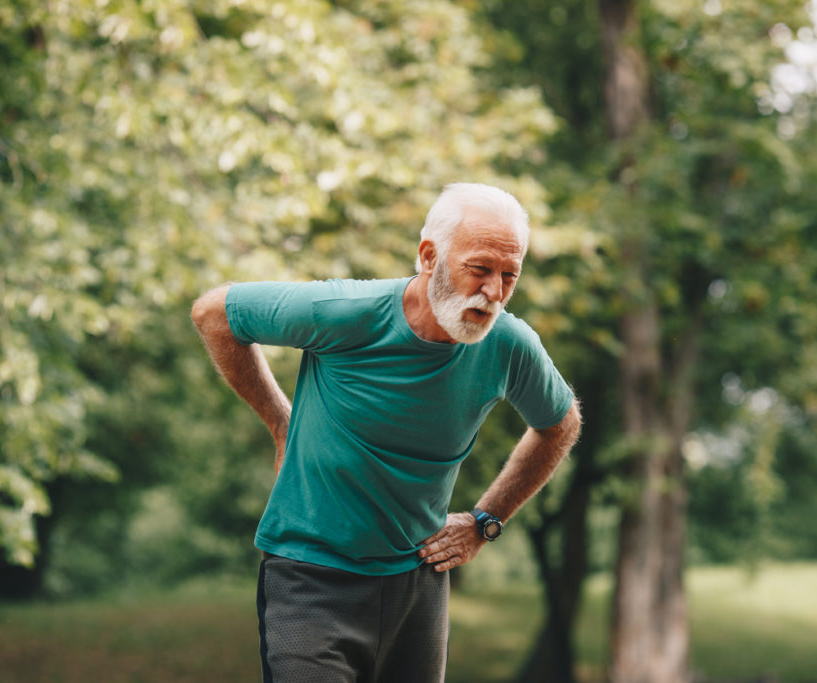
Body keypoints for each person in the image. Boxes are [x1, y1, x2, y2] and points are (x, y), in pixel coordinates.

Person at [190, 182, 581, 682]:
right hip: (311, 579)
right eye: (480, 269)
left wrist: (486, 520)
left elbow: (560, 424)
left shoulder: (508, 344)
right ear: (428, 256)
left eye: (510, 276)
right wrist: (279, 419)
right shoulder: (348, 312)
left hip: (417, 585)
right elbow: (214, 313)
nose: (493, 292)